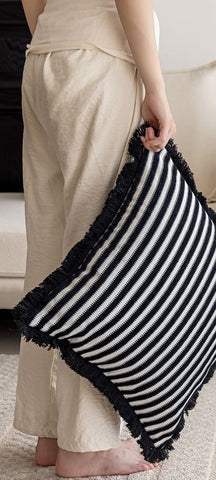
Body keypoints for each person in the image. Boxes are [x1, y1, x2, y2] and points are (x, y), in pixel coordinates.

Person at [14, 0, 176, 476]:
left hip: (45, 54)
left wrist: (55, 33)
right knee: (95, 257)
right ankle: (84, 446)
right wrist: (156, 87)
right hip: (98, 61)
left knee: (49, 249)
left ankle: (50, 431)